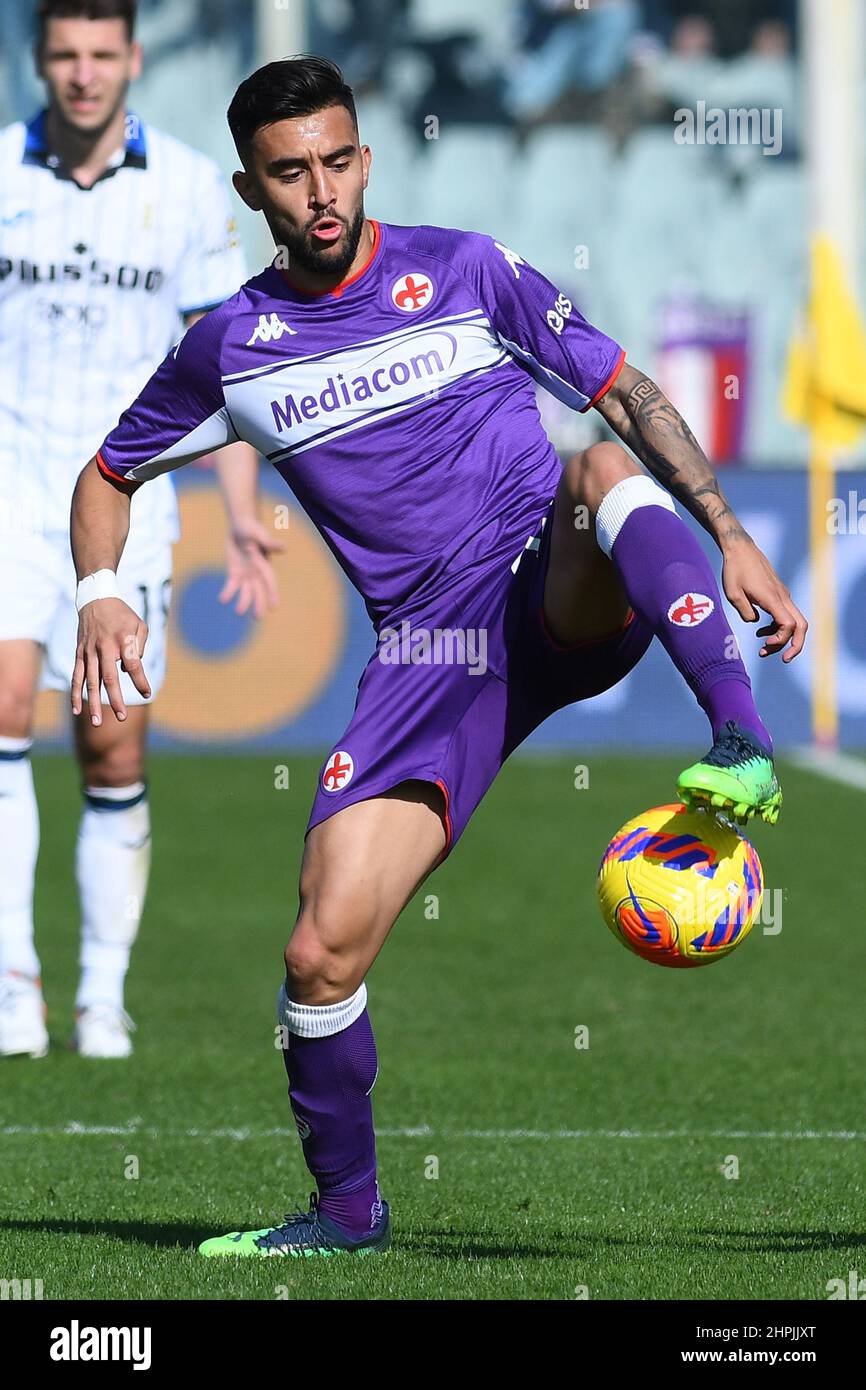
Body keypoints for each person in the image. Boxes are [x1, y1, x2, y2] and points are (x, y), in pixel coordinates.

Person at [69, 56, 807, 1255]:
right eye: (290, 170)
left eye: (338, 159)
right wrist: (102, 589)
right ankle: (346, 1213)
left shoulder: (464, 270)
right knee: (318, 953)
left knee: (595, 471)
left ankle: (738, 736)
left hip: (550, 582)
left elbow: (619, 391)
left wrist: (724, 530)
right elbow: (106, 475)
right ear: (252, 191)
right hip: (428, 656)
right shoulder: (229, 348)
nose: (321, 189)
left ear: (365, 155)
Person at [0, 0, 279, 1061]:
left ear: (133, 59)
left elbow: (230, 371)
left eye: (100, 55)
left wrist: (244, 514)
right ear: (40, 61)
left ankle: (101, 994)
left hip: (130, 495)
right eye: (64, 55)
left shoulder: (189, 188)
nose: (82, 74)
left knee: (110, 741)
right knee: (4, 708)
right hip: (9, 486)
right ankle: (13, 982)